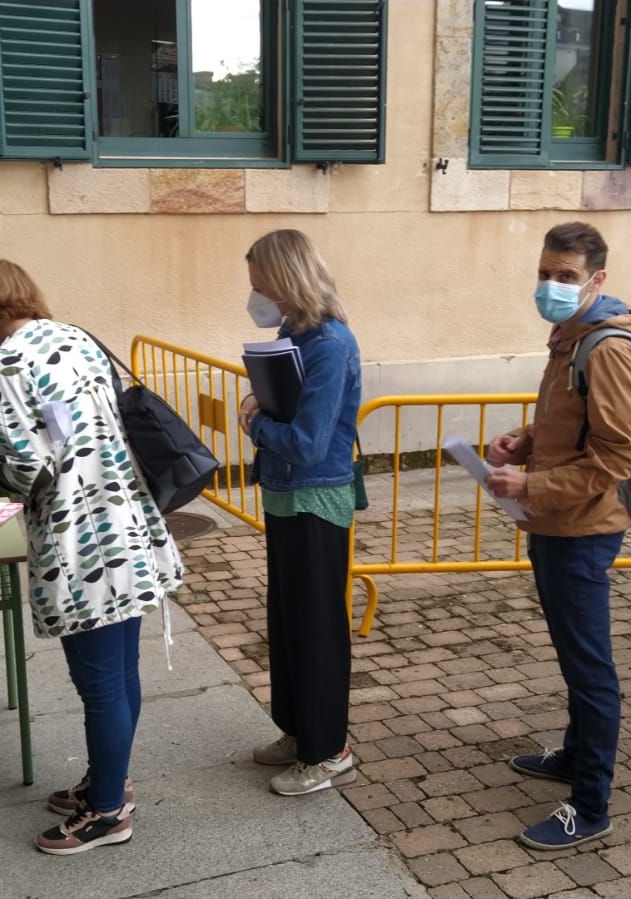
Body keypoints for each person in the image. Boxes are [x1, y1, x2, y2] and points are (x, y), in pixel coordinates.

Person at [0, 260, 185, 855]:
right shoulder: (76, 337)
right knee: (120, 672)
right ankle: (110, 782)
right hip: (127, 521)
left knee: (99, 685)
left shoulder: (6, 361)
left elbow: (29, 468)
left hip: (76, 540)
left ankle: (108, 813)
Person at [485, 221, 631, 851]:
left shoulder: (607, 348)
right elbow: (570, 425)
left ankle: (591, 802)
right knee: (574, 655)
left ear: (597, 280)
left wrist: (531, 485)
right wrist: (524, 443)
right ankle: (576, 754)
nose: (550, 286)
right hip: (556, 520)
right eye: (544, 273)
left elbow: (617, 456)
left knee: (590, 666)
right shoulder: (571, 335)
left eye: (566, 277)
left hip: (581, 527)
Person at [237, 229, 363, 797]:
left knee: (316, 628)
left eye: (262, 285)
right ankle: (298, 731)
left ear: (287, 283)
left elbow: (311, 442)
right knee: (288, 623)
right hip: (286, 495)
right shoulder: (294, 334)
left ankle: (328, 749)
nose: (257, 296)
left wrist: (255, 422)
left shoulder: (330, 345)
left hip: (316, 497)